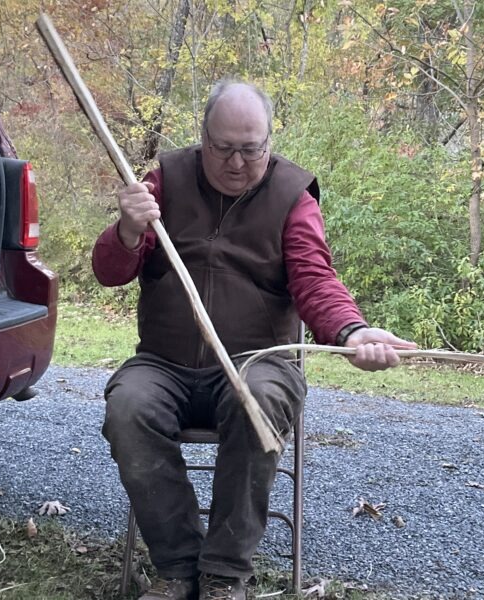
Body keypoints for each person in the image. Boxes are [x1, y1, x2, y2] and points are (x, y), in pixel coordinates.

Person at [92, 78, 416, 600]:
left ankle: (224, 575)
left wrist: (353, 331)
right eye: (224, 149)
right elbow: (110, 272)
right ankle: (177, 568)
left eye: (251, 149)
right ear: (203, 139)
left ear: (269, 141)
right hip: (164, 363)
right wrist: (127, 231)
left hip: (257, 361)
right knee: (128, 408)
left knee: (259, 401)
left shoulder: (292, 195)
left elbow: (315, 280)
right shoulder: (165, 181)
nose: (238, 162)